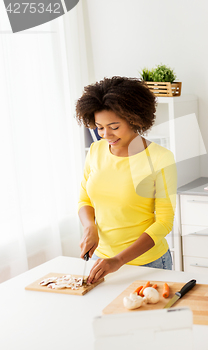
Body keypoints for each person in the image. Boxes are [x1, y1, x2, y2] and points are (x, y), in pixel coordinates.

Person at [75, 76, 177, 284]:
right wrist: (90, 227)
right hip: (101, 260)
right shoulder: (95, 150)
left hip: (148, 264)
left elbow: (164, 222)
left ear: (134, 119)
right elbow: (84, 199)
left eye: (114, 126)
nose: (106, 134)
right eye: (99, 127)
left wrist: (119, 260)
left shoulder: (159, 158)